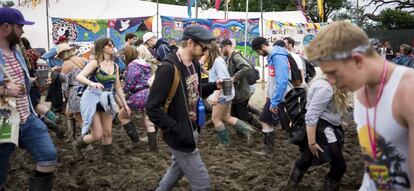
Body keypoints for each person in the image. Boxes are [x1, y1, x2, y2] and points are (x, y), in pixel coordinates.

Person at [306, 21, 414, 190]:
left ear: (357, 60)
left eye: (333, 73)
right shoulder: (361, 91)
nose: (331, 82)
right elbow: (375, 171)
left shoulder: (408, 92)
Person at [146, 25, 221, 191]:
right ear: (190, 43)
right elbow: (152, 108)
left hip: (192, 128)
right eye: (204, 47)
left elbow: (194, 89)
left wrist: (215, 85)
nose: (206, 51)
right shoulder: (168, 68)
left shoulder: (193, 63)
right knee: (202, 184)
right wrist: (176, 129)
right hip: (181, 136)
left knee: (175, 171)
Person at [0, 7, 57, 190]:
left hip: (28, 116)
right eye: (20, 26)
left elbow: (20, 81)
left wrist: (35, 81)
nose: (23, 30)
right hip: (4, 120)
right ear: (6, 27)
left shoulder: (17, 50)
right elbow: (8, 87)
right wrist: (3, 89)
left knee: (48, 156)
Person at [286, 76, 349, 190]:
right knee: (339, 166)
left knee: (307, 159)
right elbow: (311, 116)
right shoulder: (325, 87)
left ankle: (289, 187)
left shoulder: (327, 81)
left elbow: (322, 109)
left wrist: (337, 118)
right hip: (322, 128)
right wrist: (311, 143)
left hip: (321, 125)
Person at [73, 38, 131, 161]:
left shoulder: (115, 66)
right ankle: (76, 145)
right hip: (91, 99)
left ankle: (107, 160)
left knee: (108, 132)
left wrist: (124, 105)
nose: (112, 47)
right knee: (97, 134)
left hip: (106, 100)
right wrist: (91, 83)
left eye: (112, 45)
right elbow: (79, 76)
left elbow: (118, 87)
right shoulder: (95, 63)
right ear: (102, 47)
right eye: (109, 45)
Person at [205, 42, 255, 146]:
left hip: (222, 94)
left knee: (216, 119)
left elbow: (222, 80)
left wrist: (215, 97)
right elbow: (218, 76)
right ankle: (248, 130)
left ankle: (225, 144)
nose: (203, 53)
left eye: (204, 50)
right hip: (226, 93)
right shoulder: (217, 60)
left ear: (209, 50)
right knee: (226, 117)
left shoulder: (217, 61)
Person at [251, 37, 291, 156]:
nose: (259, 54)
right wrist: (269, 96)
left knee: (265, 119)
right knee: (267, 119)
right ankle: (269, 148)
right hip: (276, 96)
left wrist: (274, 101)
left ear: (263, 46)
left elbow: (282, 81)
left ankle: (268, 149)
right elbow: (273, 79)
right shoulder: (273, 56)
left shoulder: (278, 56)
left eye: (258, 51)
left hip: (281, 96)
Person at [118, 45, 157, 151]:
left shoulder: (132, 65)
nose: (123, 58)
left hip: (138, 95)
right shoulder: (144, 63)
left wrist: (125, 92)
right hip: (149, 93)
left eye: (124, 56)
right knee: (148, 120)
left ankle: (135, 141)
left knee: (122, 116)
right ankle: (153, 148)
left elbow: (130, 83)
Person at [219, 39, 261, 129]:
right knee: (235, 115)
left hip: (241, 93)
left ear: (226, 46)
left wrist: (234, 78)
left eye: (221, 48)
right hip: (235, 94)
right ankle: (241, 134)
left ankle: (263, 129)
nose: (221, 51)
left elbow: (247, 67)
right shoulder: (229, 59)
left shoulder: (235, 56)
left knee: (244, 115)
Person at [52, 43, 86, 141]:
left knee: (80, 119)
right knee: (68, 113)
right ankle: (72, 137)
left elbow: (65, 85)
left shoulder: (66, 64)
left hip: (75, 92)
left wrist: (66, 96)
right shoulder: (80, 59)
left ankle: (87, 142)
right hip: (84, 89)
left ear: (63, 54)